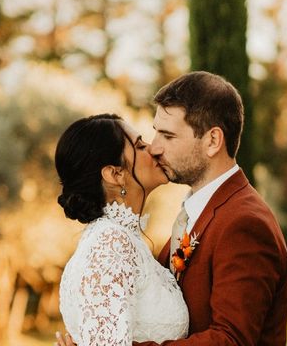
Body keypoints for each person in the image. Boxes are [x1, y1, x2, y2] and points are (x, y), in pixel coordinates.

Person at [57, 71, 287, 346]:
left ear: (213, 141)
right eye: (153, 135)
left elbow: (232, 340)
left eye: (167, 136)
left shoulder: (243, 222)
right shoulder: (194, 216)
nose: (155, 148)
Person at [55, 113, 188, 345]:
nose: (154, 148)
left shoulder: (121, 239)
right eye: (140, 145)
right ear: (115, 174)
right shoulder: (111, 243)